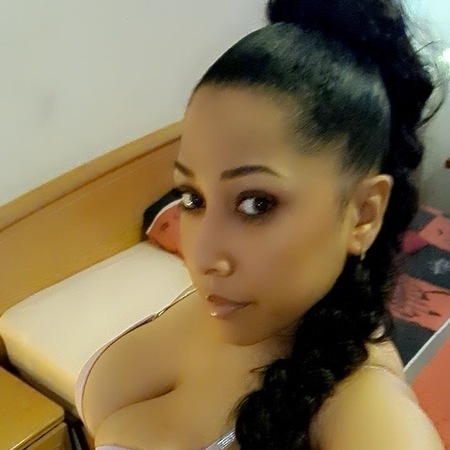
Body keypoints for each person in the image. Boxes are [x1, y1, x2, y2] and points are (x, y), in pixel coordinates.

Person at [77, 0, 446, 448]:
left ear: (363, 214)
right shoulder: (230, 306)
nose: (202, 256)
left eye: (256, 204)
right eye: (192, 198)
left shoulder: (370, 417)